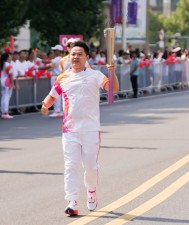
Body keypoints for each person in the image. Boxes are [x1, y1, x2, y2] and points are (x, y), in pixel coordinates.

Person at [40, 41, 119, 216]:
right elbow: (52, 96)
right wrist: (45, 105)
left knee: (90, 167)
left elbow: (113, 89)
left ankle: (91, 193)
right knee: (71, 166)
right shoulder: (63, 77)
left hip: (91, 128)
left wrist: (112, 72)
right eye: (72, 54)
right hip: (70, 130)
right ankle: (72, 201)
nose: (75, 57)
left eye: (79, 54)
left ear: (87, 57)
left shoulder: (95, 75)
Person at [38, 44, 64, 118]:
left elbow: (49, 65)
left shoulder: (57, 59)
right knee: (59, 95)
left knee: (55, 95)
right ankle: (59, 110)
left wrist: (38, 67)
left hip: (55, 77)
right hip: (59, 77)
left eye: (55, 50)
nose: (54, 51)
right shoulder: (61, 59)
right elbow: (51, 67)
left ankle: (57, 111)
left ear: (58, 51)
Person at [0, 53, 15, 119]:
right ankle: (5, 113)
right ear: (7, 58)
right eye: (10, 56)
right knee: (6, 98)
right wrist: (13, 84)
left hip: (3, 82)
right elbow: (11, 75)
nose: (11, 57)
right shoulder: (9, 65)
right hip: (7, 83)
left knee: (3, 97)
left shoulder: (2, 64)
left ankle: (3, 113)